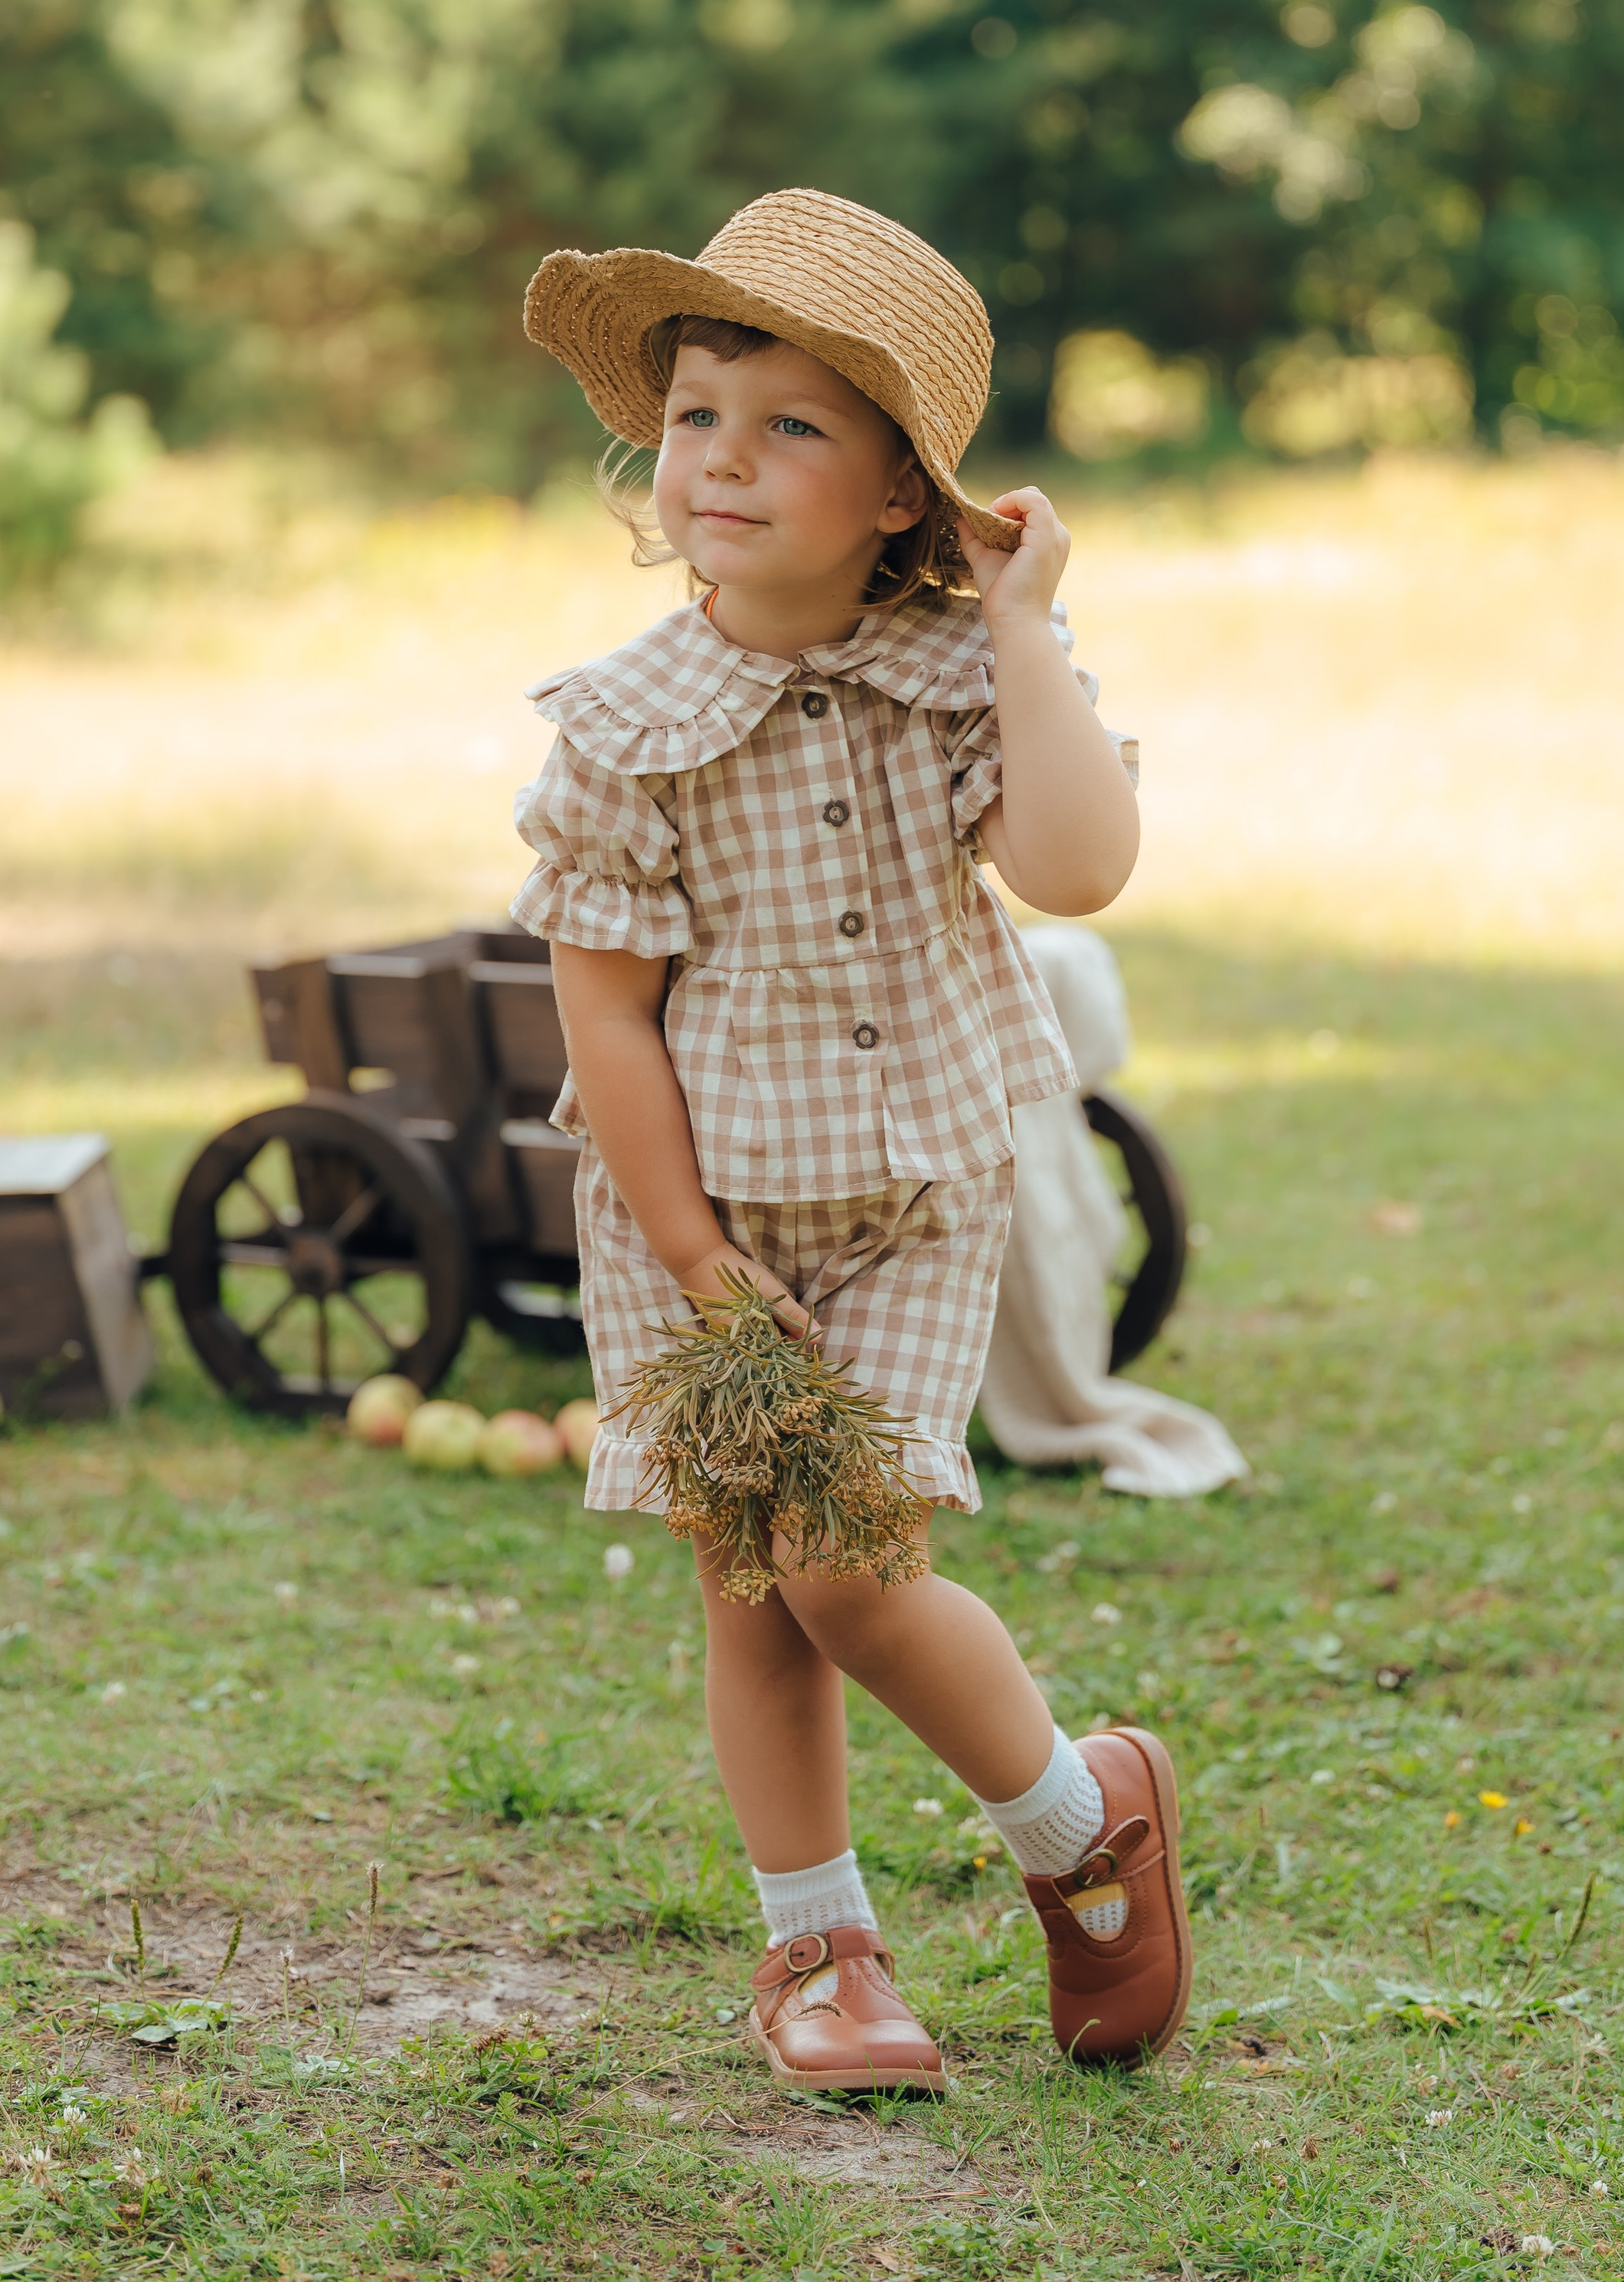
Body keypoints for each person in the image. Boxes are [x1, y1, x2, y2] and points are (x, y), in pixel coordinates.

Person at [509, 188, 1192, 2092]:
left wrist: (1022, 621)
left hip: (909, 1200)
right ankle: (822, 1947)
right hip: (689, 1221)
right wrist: (698, 1255)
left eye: (791, 423)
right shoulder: (619, 727)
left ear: (900, 488)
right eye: (698, 412)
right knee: (756, 1586)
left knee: (844, 1570)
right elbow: (605, 1018)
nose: (721, 458)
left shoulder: (960, 677)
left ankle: (1081, 1830)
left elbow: (1073, 868)